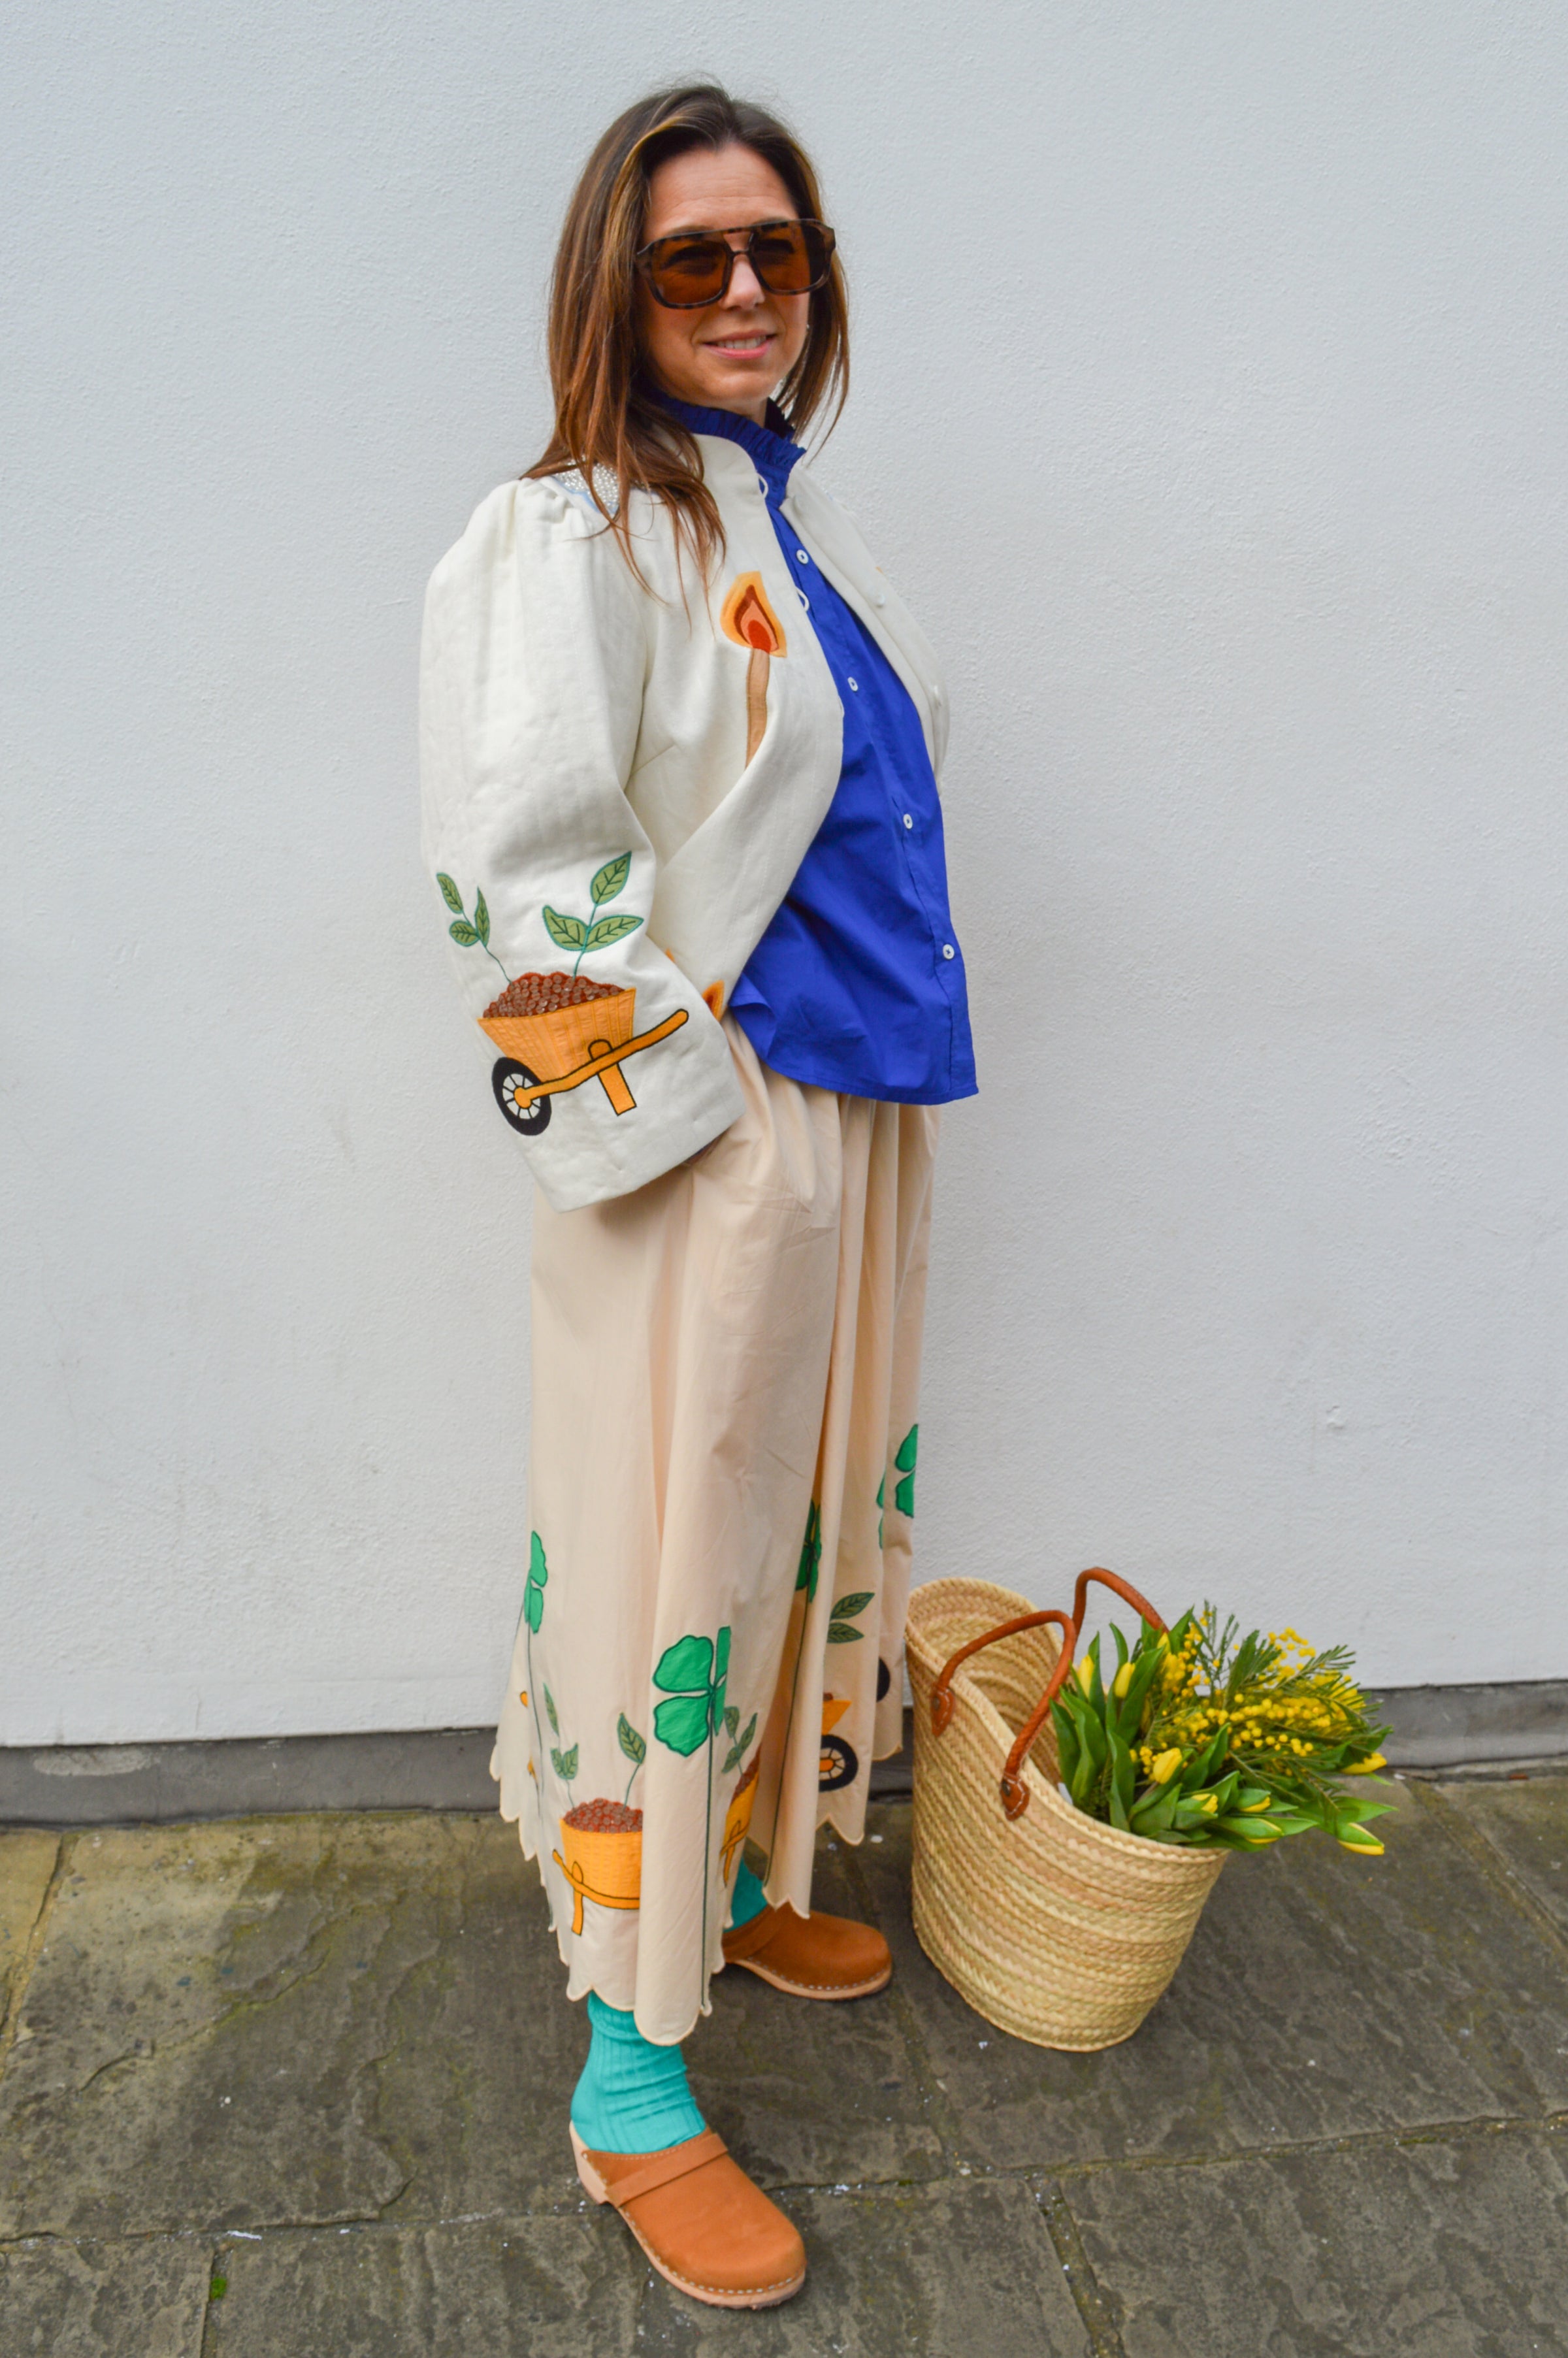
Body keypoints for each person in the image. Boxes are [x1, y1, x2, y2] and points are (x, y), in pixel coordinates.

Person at [419, 83, 975, 2309]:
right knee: (672, 1548)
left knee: (794, 1526)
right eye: (693, 257)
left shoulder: (783, 519)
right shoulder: (566, 534)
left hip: (851, 1110)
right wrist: (701, 1125)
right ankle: (628, 2073)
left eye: (781, 249)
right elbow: (522, 876)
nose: (748, 289)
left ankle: (732, 1884)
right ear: (614, 286)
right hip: (710, 1139)